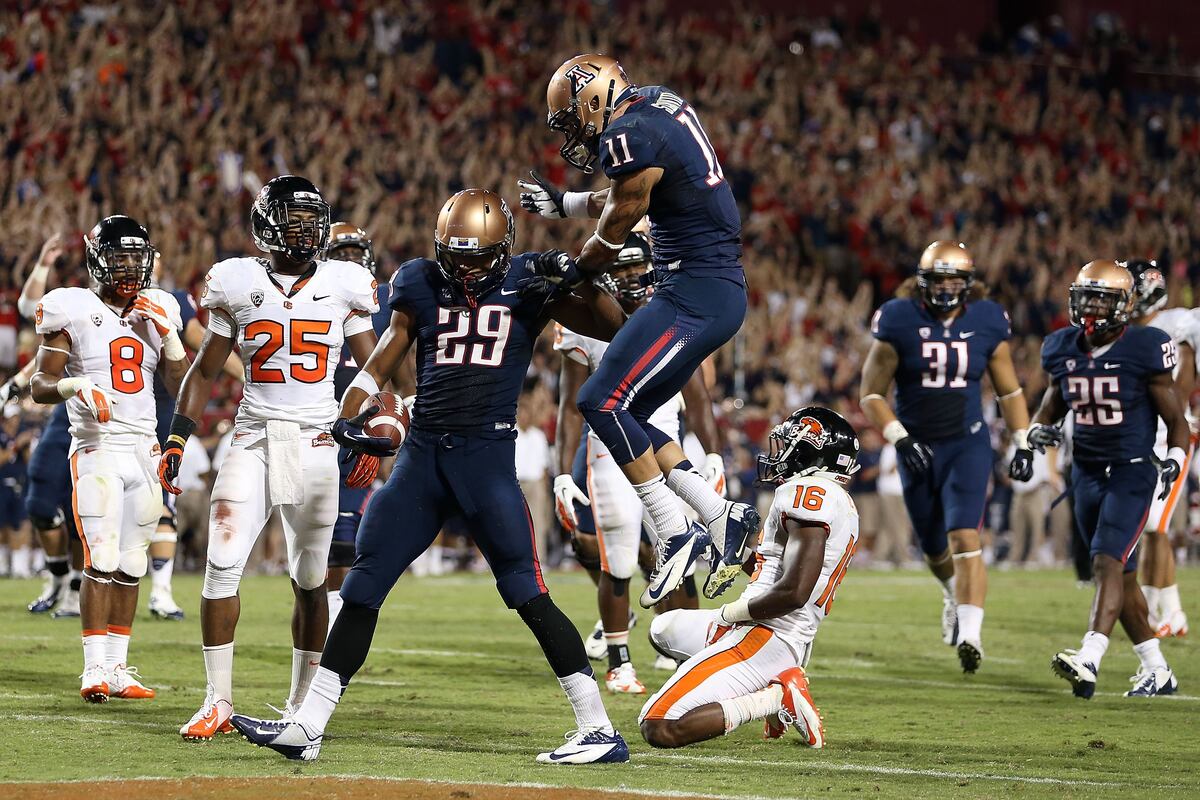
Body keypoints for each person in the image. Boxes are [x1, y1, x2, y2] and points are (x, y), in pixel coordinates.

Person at [229, 188, 630, 764]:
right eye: (456, 257)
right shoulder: (419, 281)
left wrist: (582, 279)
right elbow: (383, 358)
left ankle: (597, 727)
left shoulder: (528, 281)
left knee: (527, 592)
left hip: (485, 461)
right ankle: (307, 727)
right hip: (422, 459)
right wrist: (348, 416)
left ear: (502, 250)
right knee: (362, 585)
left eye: (477, 259)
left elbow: (615, 327)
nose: (465, 271)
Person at [519, 54, 755, 608]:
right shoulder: (652, 105)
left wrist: (577, 269)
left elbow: (623, 218)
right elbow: (636, 193)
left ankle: (674, 531)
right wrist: (565, 204)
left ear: (594, 98)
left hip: (694, 289)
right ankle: (720, 516)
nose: (574, 135)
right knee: (633, 413)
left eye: (572, 120)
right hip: (706, 285)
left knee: (598, 400)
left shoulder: (628, 132)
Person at [159, 176, 382, 738]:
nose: (305, 231)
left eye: (311, 220)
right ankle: (217, 700)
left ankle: (302, 705)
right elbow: (204, 371)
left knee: (310, 578)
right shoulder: (236, 281)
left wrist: (376, 428)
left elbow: (379, 368)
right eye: (293, 220)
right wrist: (178, 436)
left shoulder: (344, 282)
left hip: (317, 441)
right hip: (254, 438)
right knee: (220, 563)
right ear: (265, 226)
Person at [554, 231, 722, 694]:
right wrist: (563, 471)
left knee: (682, 555)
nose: (630, 276)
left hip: (666, 447)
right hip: (609, 449)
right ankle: (619, 662)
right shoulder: (583, 320)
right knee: (619, 556)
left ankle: (689, 656)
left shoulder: (673, 311)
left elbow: (698, 397)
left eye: (636, 265)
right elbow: (570, 405)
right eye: (621, 267)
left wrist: (713, 453)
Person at [29, 215, 189, 701]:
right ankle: (93, 668)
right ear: (98, 260)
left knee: (133, 563)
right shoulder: (71, 306)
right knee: (100, 556)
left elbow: (183, 386)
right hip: (97, 445)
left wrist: (171, 337)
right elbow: (40, 384)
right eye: (120, 258)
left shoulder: (159, 305)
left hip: (144, 447)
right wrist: (77, 385)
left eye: (137, 258)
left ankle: (118, 669)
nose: (130, 268)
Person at [638, 406, 861, 750]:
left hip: (766, 635)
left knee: (658, 725)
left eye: (789, 444)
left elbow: (794, 592)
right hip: (766, 629)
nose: (779, 452)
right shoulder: (831, 497)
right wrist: (735, 554)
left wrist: (731, 613)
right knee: (662, 629)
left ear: (812, 452)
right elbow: (778, 569)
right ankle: (760, 683)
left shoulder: (811, 494)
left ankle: (773, 698)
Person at [859, 241, 1031, 673]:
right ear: (923, 282)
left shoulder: (987, 319)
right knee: (934, 547)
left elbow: (1009, 390)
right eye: (938, 280)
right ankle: (953, 594)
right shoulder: (899, 318)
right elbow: (871, 394)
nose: (946, 289)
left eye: (954, 281)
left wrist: (1022, 440)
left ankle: (971, 635)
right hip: (915, 446)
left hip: (967, 443)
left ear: (968, 284)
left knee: (965, 536)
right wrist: (899, 437)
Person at [1026, 260, 1184, 698]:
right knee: (1121, 575)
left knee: (1105, 559)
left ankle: (1090, 656)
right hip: (1086, 471)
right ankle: (1158, 670)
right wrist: (1034, 434)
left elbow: (1176, 417)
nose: (1092, 307)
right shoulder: (1062, 347)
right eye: (1087, 297)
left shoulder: (1146, 347)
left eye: (1102, 299)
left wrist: (1174, 457)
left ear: (1125, 305)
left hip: (1132, 469)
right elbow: (1052, 405)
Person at [325, 221, 393, 630]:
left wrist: (391, 420)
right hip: (315, 421)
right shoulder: (314, 294)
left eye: (355, 253)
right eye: (341, 254)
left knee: (345, 527)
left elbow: (398, 365)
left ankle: (335, 615)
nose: (350, 261)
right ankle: (322, 608)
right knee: (317, 528)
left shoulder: (384, 299)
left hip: (359, 425)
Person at [1124, 259, 1195, 637]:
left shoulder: (1176, 324)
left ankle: (1158, 612)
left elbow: (1182, 383)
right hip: (1142, 435)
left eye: (1130, 290)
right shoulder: (1126, 331)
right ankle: (1168, 612)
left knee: (1155, 524)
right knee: (1151, 526)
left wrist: (1174, 418)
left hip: (1171, 437)